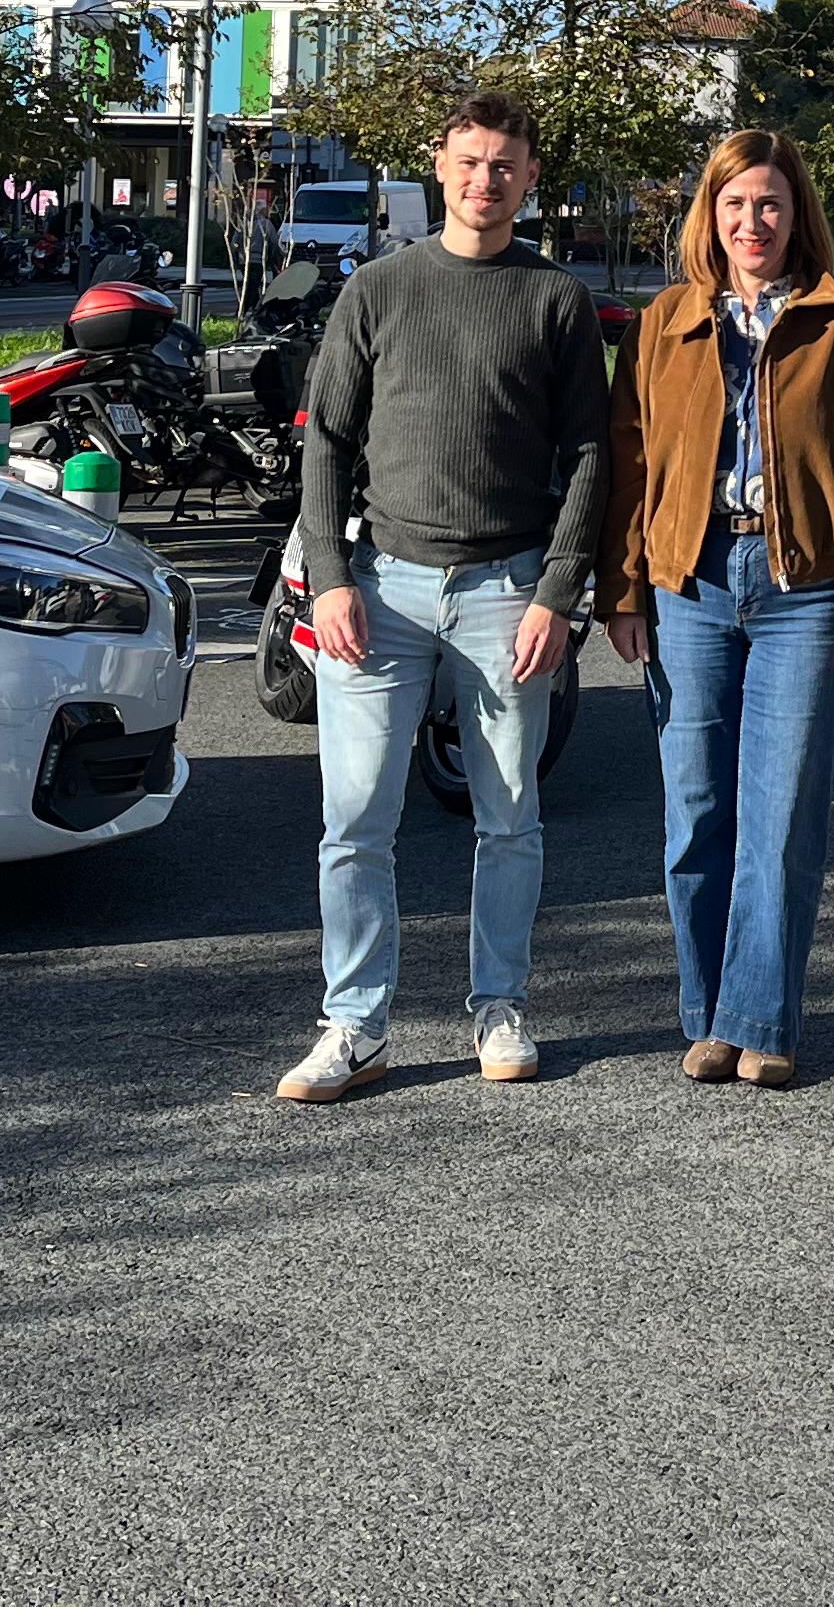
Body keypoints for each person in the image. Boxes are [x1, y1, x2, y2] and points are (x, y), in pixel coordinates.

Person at [279, 93, 609, 1103]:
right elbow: (327, 441)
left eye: (504, 164)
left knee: (509, 820)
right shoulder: (378, 289)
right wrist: (330, 578)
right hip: (379, 588)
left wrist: (559, 591)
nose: (485, 179)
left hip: (508, 591)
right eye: (469, 161)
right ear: (439, 165)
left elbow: (593, 455)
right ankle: (354, 1024)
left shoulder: (555, 299)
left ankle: (498, 1006)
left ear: (530, 177)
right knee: (355, 822)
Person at [600, 129, 834, 1090]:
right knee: (696, 810)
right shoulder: (664, 323)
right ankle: (707, 1016)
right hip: (687, 585)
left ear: (795, 212)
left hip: (803, 592)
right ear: (712, 215)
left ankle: (762, 1019)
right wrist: (623, 588)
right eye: (735, 204)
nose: (753, 221)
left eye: (769, 203)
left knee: (780, 815)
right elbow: (631, 463)